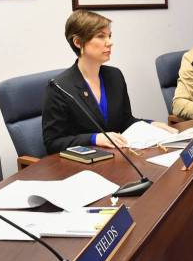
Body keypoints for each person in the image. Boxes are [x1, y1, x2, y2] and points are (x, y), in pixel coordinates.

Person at [43, 10, 174, 154]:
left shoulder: (114, 76)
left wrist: (150, 125)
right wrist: (94, 138)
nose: (110, 42)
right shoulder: (60, 87)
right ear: (78, 42)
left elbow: (125, 121)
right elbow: (53, 143)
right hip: (84, 162)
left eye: (109, 36)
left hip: (117, 158)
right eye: (101, 36)